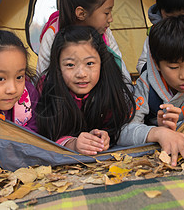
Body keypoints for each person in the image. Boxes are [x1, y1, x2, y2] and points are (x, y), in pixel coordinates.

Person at [118, 15, 184, 166]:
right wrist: (158, 132)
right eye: (173, 67)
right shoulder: (146, 85)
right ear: (157, 64)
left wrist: (179, 128)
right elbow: (123, 130)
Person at [35, 25, 135, 155]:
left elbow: (117, 126)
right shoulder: (48, 90)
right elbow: (47, 135)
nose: (81, 74)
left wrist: (103, 137)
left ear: (102, 63)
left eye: (89, 63)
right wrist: (73, 144)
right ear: (58, 67)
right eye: (70, 65)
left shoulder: (110, 88)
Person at [37, 0, 131, 84]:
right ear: (81, 13)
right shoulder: (53, 35)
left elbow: (120, 72)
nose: (111, 19)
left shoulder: (105, 34)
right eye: (106, 13)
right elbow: (41, 79)